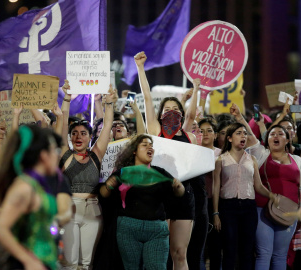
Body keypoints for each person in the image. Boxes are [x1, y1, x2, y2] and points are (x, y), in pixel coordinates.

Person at [135, 51, 199, 270]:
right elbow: (146, 98)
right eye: (167, 109)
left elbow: (191, 115)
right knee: (159, 253)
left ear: (181, 114)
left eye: (175, 110)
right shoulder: (154, 130)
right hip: (159, 197)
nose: (171, 113)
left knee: (180, 254)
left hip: (183, 195)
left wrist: (198, 88)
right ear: (161, 114)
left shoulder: (187, 133)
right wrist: (140, 68)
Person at [230, 103, 301, 270]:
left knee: (280, 256)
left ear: (288, 139)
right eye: (272, 134)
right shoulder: (261, 154)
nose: (276, 136)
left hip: (290, 212)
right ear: (267, 139)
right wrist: (239, 117)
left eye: (280, 134)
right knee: (264, 253)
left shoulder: (298, 161)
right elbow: (251, 136)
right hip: (262, 210)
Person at [0, 125, 72, 270]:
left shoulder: (39, 184)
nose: (58, 155)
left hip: (45, 259)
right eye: (55, 150)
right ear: (43, 155)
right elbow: (0, 229)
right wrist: (28, 260)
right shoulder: (24, 187)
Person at [100, 134, 185, 270]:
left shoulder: (160, 173)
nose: (149, 147)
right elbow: (104, 194)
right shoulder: (124, 173)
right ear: (134, 150)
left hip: (156, 231)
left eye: (151, 145)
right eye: (144, 145)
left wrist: (179, 187)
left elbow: (180, 193)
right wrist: (109, 185)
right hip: (128, 230)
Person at [59, 80, 115, 270]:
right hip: (70, 210)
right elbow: (63, 122)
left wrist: (109, 103)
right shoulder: (65, 154)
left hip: (93, 211)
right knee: (70, 263)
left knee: (86, 263)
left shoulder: (96, 155)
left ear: (90, 137)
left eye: (83, 133)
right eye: (74, 133)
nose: (78, 137)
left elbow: (107, 126)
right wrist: (66, 99)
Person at [212, 122, 276, 270]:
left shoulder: (252, 159)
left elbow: (258, 186)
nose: (243, 136)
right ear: (229, 138)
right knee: (229, 249)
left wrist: (272, 196)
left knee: (247, 251)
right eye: (239, 133)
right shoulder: (221, 160)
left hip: (248, 208)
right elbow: (216, 188)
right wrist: (215, 213)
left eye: (245, 133)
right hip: (228, 208)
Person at [199, 118, 222, 270]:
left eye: (209, 130)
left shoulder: (222, 155)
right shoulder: (193, 152)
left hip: (216, 204)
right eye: (201, 131)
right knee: (198, 247)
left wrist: (216, 212)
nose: (205, 134)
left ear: (215, 135)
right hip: (198, 204)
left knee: (215, 247)